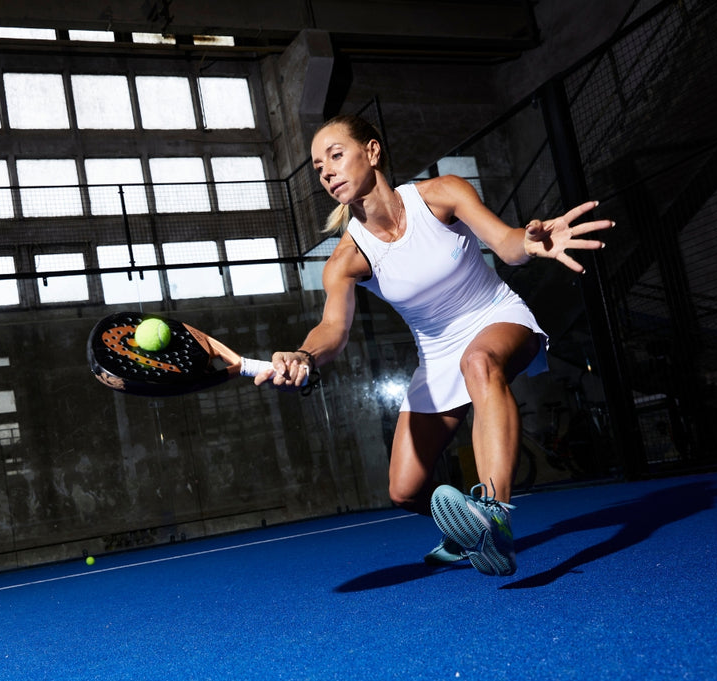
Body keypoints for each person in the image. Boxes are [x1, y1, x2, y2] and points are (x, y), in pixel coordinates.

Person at [254, 114, 612, 577]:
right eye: (318, 167)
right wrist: (303, 354)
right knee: (404, 490)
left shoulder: (441, 193)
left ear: (373, 151)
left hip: (495, 317)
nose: (326, 171)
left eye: (336, 155)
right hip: (438, 355)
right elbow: (332, 330)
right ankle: (468, 528)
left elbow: (505, 244)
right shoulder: (347, 258)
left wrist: (530, 241)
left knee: (479, 362)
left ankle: (495, 519)